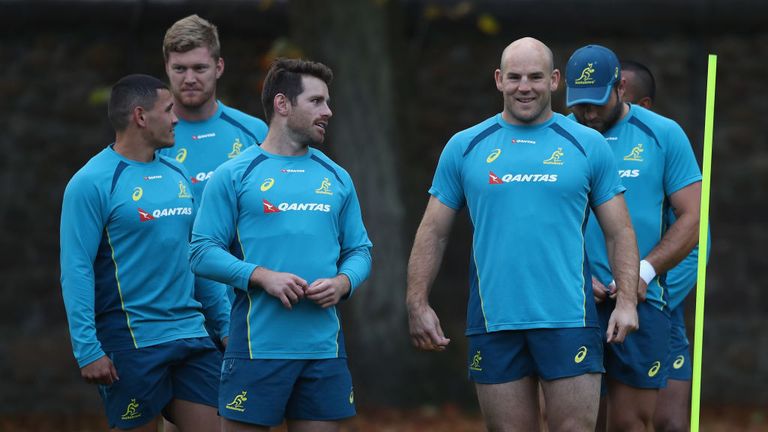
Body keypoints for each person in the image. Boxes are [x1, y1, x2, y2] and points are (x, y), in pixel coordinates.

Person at [406, 37, 639, 432]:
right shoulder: (465, 147)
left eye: (535, 77)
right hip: (494, 319)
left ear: (554, 80)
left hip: (569, 317)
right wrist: (416, 302)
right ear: (499, 80)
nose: (524, 87)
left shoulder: (587, 145)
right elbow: (434, 231)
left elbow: (620, 231)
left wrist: (627, 302)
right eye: (514, 77)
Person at [189, 58, 372, 432]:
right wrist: (260, 276)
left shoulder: (336, 176)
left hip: (323, 351)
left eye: (327, 102)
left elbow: (360, 250)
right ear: (282, 104)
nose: (328, 111)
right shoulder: (235, 174)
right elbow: (201, 251)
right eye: (317, 101)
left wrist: (343, 283)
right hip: (257, 350)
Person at [60, 74, 223, 431]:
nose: (177, 117)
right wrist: (87, 349)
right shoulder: (90, 183)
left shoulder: (179, 174)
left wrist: (224, 326)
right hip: (132, 345)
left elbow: (197, 256)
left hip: (192, 338)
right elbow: (76, 270)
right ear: (140, 116)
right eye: (168, 109)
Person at [565, 45, 702, 431]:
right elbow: (541, 223)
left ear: (620, 87)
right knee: (573, 422)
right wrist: (574, 276)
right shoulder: (561, 135)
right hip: (573, 303)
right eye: (579, 105)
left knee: (630, 423)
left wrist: (642, 272)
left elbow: (693, 218)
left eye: (596, 103)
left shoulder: (663, 134)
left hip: (643, 299)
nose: (588, 114)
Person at [621, 59, 709, 432]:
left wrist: (650, 290)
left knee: (670, 422)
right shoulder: (586, 147)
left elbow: (696, 242)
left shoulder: (663, 146)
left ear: (642, 106)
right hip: (594, 305)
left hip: (656, 306)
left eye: (621, 88)